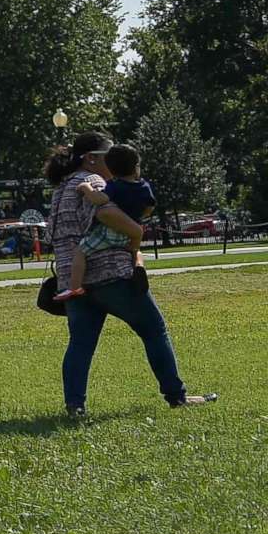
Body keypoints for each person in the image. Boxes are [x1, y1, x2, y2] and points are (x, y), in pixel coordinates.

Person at [48, 133, 215, 417]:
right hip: (111, 275)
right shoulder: (96, 183)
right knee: (154, 329)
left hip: (73, 281)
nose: (113, 161)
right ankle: (177, 397)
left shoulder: (60, 190)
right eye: (108, 155)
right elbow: (106, 214)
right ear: (91, 159)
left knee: (80, 344)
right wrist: (136, 232)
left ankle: (75, 406)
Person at [60, 142, 154, 302]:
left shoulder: (114, 185)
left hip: (111, 232)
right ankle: (138, 266)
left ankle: (74, 288)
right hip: (131, 231)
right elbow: (150, 207)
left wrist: (85, 188)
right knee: (135, 250)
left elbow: (99, 199)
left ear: (110, 169)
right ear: (137, 166)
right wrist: (139, 217)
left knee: (80, 252)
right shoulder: (144, 186)